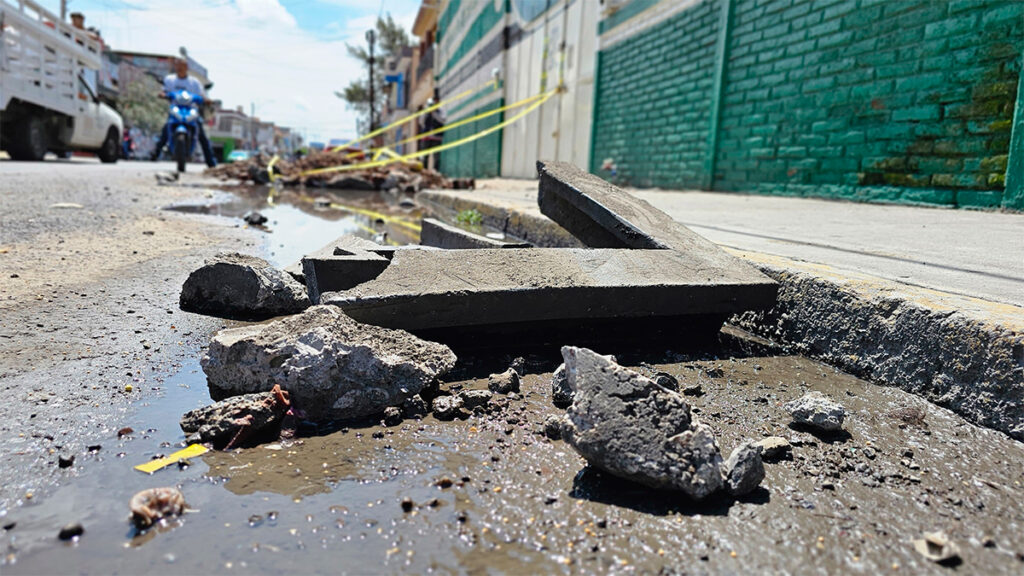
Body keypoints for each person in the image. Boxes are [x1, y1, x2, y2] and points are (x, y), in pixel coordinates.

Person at [151, 58, 217, 167]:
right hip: (176, 110)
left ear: (187, 67)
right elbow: (164, 91)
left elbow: (201, 95)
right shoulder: (170, 79)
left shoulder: (194, 82)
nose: (179, 68)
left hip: (191, 110)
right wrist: (162, 94)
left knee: (202, 135)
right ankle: (155, 154)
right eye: (177, 65)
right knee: (166, 130)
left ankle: (211, 162)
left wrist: (206, 100)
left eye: (182, 65)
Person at [420, 98, 445, 171]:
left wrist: (434, 113)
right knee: (425, 156)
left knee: (436, 156)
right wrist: (425, 112)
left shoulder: (440, 110)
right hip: (426, 137)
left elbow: (443, 120)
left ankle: (435, 171)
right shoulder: (425, 112)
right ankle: (424, 171)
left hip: (437, 137)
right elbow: (421, 122)